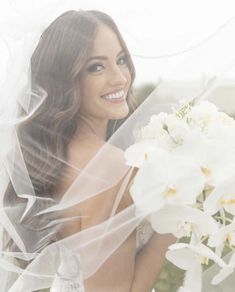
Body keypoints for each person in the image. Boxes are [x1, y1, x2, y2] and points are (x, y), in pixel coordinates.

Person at [1, 10, 174, 292]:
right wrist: (177, 214)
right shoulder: (109, 165)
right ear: (65, 80)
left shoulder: (57, 155)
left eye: (121, 60)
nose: (120, 78)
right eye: (96, 67)